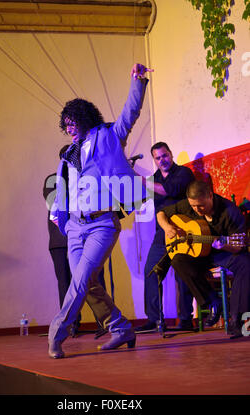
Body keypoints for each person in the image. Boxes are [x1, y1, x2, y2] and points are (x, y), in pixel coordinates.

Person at [47, 63, 152, 358]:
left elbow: (129, 115)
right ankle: (120, 328)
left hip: (102, 224)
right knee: (89, 284)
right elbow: (62, 190)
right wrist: (63, 221)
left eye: (72, 121)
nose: (68, 127)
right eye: (64, 123)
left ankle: (58, 332)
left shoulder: (108, 136)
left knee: (79, 280)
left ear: (84, 118)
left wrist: (138, 81)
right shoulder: (67, 155)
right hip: (75, 229)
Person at [157, 180, 250, 337]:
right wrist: (168, 227)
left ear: (210, 196)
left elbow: (239, 245)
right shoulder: (188, 204)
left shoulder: (229, 211)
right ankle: (213, 302)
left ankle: (237, 321)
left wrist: (224, 245)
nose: (197, 209)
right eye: (193, 206)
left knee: (246, 264)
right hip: (200, 253)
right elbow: (161, 214)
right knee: (178, 259)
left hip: (224, 252)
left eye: (200, 205)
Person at [43, 147, 107, 338]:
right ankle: (71, 326)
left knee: (93, 279)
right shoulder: (52, 180)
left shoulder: (88, 177)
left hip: (87, 236)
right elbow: (56, 203)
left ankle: (103, 323)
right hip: (60, 240)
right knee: (65, 283)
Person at [135, 142, 195, 333]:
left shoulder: (184, 174)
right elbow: (139, 198)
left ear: (171, 154)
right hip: (162, 234)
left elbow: (169, 190)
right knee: (151, 271)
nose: (162, 160)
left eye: (165, 155)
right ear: (154, 160)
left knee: (182, 275)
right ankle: (154, 319)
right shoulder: (154, 179)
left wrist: (142, 181)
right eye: (158, 158)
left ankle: (185, 320)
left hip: (183, 232)